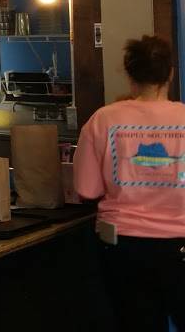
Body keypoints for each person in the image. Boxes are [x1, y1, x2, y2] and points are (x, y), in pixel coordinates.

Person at [74, 36, 185, 331]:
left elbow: (86, 189)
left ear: (129, 74)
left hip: (123, 247)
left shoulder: (103, 120)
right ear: (170, 73)